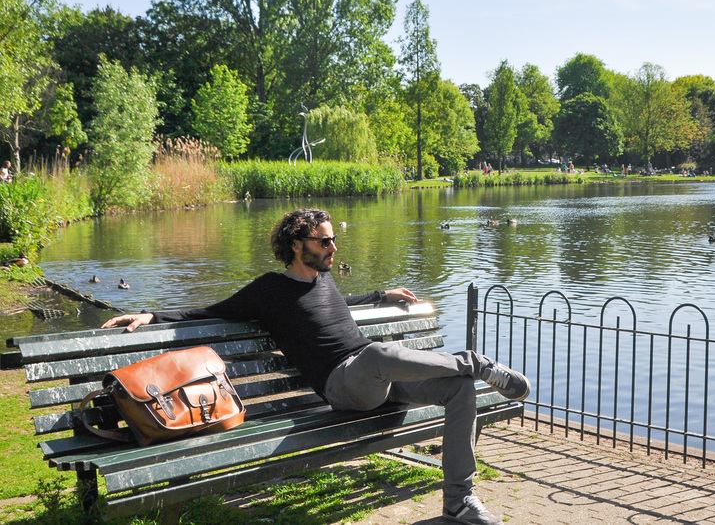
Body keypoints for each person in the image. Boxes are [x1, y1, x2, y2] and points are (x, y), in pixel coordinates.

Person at [102, 208, 528, 525]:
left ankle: (458, 501)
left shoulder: (325, 281)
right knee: (380, 354)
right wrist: (151, 316)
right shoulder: (268, 290)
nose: (332, 248)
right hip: (343, 386)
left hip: (377, 378)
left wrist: (382, 294)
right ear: (296, 244)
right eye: (324, 242)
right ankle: (478, 363)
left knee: (460, 390)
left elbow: (338, 308)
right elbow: (209, 311)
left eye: (332, 241)